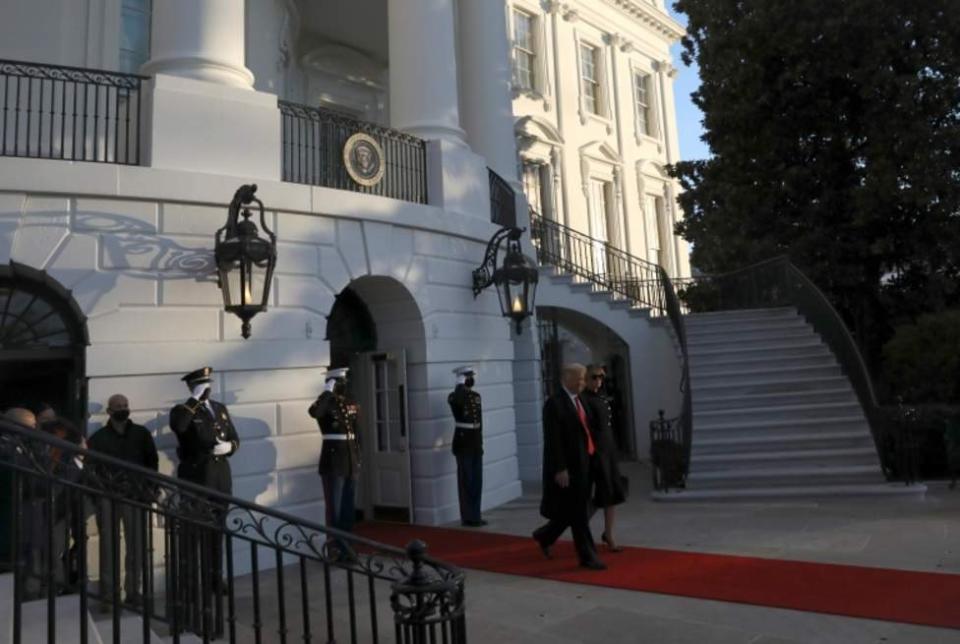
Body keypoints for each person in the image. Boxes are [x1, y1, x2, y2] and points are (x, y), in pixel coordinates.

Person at [169, 366, 239, 635]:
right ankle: (189, 584)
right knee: (193, 534)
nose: (207, 387)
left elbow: (234, 438)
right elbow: (179, 428)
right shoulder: (182, 410)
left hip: (220, 477)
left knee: (216, 532)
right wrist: (193, 401)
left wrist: (230, 447)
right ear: (192, 387)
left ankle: (214, 577)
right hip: (197, 478)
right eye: (201, 384)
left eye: (208, 383)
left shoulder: (219, 408)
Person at [532, 363, 606, 570]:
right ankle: (588, 557)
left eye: (583, 379)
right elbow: (553, 440)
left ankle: (545, 535)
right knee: (580, 513)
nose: (582, 383)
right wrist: (560, 468)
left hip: (587, 462)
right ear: (566, 378)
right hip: (570, 468)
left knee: (574, 510)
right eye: (579, 379)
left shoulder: (580, 399)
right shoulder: (555, 404)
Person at [88, 394, 159, 609]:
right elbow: (91, 467)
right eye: (118, 406)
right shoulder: (98, 438)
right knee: (109, 547)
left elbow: (151, 463)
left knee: (136, 546)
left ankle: (133, 592)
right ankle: (109, 595)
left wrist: (150, 490)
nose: (123, 409)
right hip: (108, 497)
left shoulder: (141, 434)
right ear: (109, 411)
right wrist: (98, 493)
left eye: (126, 405)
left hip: (135, 496)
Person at [309, 367, 361, 556]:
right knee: (335, 509)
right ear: (332, 382)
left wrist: (358, 458)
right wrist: (327, 391)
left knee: (348, 508)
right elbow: (314, 413)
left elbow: (355, 433)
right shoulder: (325, 403)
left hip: (350, 461)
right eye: (340, 382)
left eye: (344, 381)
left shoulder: (348, 403)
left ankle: (348, 548)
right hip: (334, 462)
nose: (344, 385)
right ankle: (335, 549)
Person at [582, 364, 627, 551]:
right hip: (596, 452)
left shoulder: (600, 396)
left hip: (608, 451)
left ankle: (608, 533)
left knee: (612, 494)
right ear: (586, 378)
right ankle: (563, 529)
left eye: (601, 377)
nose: (598, 381)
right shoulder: (584, 399)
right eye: (594, 377)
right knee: (598, 496)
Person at [448, 366, 486, 527]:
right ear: (460, 378)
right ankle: (467, 517)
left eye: (471, 376)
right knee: (466, 481)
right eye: (467, 376)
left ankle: (476, 515)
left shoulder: (476, 396)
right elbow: (458, 401)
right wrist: (459, 385)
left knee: (477, 481)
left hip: (475, 442)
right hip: (463, 443)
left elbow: (480, 422)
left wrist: (480, 441)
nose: (471, 378)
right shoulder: (454, 396)